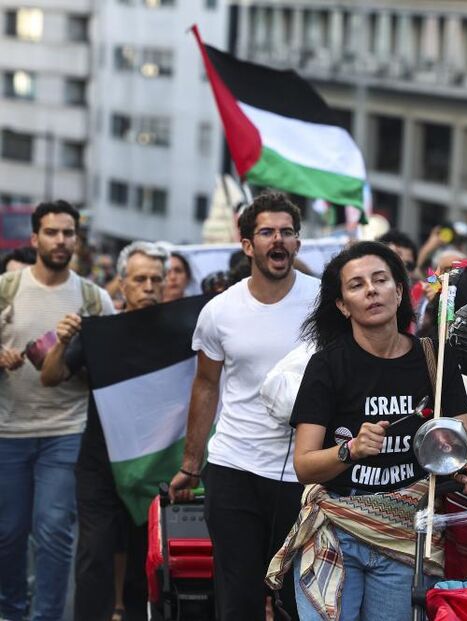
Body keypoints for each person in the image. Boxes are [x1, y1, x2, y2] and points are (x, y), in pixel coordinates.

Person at [266, 241, 467, 620]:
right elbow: (305, 465)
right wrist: (350, 451)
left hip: (408, 537)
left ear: (400, 290)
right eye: (356, 285)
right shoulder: (326, 366)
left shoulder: (434, 357)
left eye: (380, 279)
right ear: (342, 305)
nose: (371, 290)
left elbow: (466, 437)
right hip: (336, 530)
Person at [168, 192, 321, 621]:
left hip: (304, 473)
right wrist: (191, 464)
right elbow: (205, 386)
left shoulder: (326, 302)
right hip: (234, 467)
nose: (279, 240)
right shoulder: (219, 311)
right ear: (247, 245)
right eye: (268, 232)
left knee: (299, 598)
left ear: (297, 242)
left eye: (287, 232)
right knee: (238, 598)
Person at [41, 241, 169, 621]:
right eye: (140, 279)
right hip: (100, 467)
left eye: (156, 280)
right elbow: (51, 376)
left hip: (150, 470)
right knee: (94, 557)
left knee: (140, 567)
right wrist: (63, 340)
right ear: (122, 284)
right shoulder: (100, 332)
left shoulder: (180, 335)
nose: (149, 287)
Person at [0, 200, 115, 621]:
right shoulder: (7, 290)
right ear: (35, 239)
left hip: (67, 431)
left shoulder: (93, 297)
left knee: (52, 532)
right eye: (52, 232)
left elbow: (115, 363)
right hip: (7, 432)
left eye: (68, 232)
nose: (61, 240)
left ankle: (45, 616)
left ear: (76, 240)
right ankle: (11, 612)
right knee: (8, 536)